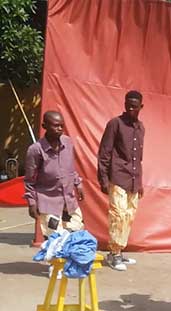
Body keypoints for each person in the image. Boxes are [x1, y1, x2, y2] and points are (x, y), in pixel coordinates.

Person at [97, 90, 145, 271]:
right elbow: (104, 152)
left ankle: (119, 251)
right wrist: (103, 178)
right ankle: (114, 254)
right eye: (128, 105)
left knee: (129, 216)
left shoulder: (141, 127)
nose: (131, 108)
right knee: (118, 215)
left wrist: (139, 182)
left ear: (141, 107)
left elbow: (138, 158)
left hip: (133, 178)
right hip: (117, 176)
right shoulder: (115, 124)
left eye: (134, 106)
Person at [24, 111, 85, 239]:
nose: (60, 129)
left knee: (76, 236)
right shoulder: (36, 150)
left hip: (69, 202)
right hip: (48, 203)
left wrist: (78, 184)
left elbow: (70, 168)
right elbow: (29, 181)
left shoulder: (67, 143)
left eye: (62, 126)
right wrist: (32, 203)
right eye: (56, 125)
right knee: (55, 241)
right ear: (44, 126)